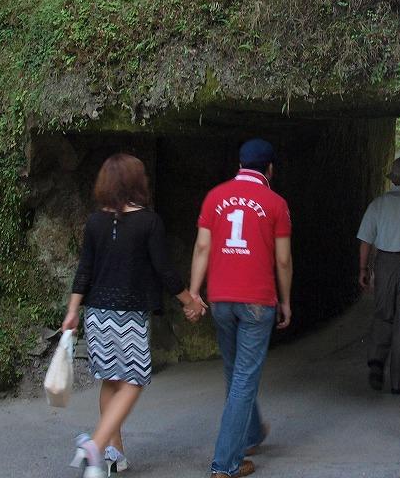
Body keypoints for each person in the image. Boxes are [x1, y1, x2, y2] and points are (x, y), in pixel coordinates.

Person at [63, 153, 205, 478]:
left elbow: (84, 271)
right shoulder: (149, 221)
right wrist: (191, 302)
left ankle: (113, 456)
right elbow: (165, 270)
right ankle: (96, 444)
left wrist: (72, 311)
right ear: (136, 183)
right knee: (135, 380)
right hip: (128, 316)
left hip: (96, 314)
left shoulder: (95, 222)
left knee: (111, 380)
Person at [190, 139, 293, 478]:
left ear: (239, 165)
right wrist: (285, 301)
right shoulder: (276, 203)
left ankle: (250, 434)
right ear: (270, 169)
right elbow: (282, 259)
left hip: (220, 299)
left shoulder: (214, 196)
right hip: (257, 302)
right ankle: (225, 464)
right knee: (245, 379)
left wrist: (194, 291)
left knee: (235, 372)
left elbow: (202, 248)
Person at [357, 154, 400, 393]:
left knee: (383, 313)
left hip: (384, 262)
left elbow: (365, 240)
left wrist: (363, 269)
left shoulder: (378, 204)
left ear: (393, 179)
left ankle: (376, 362)